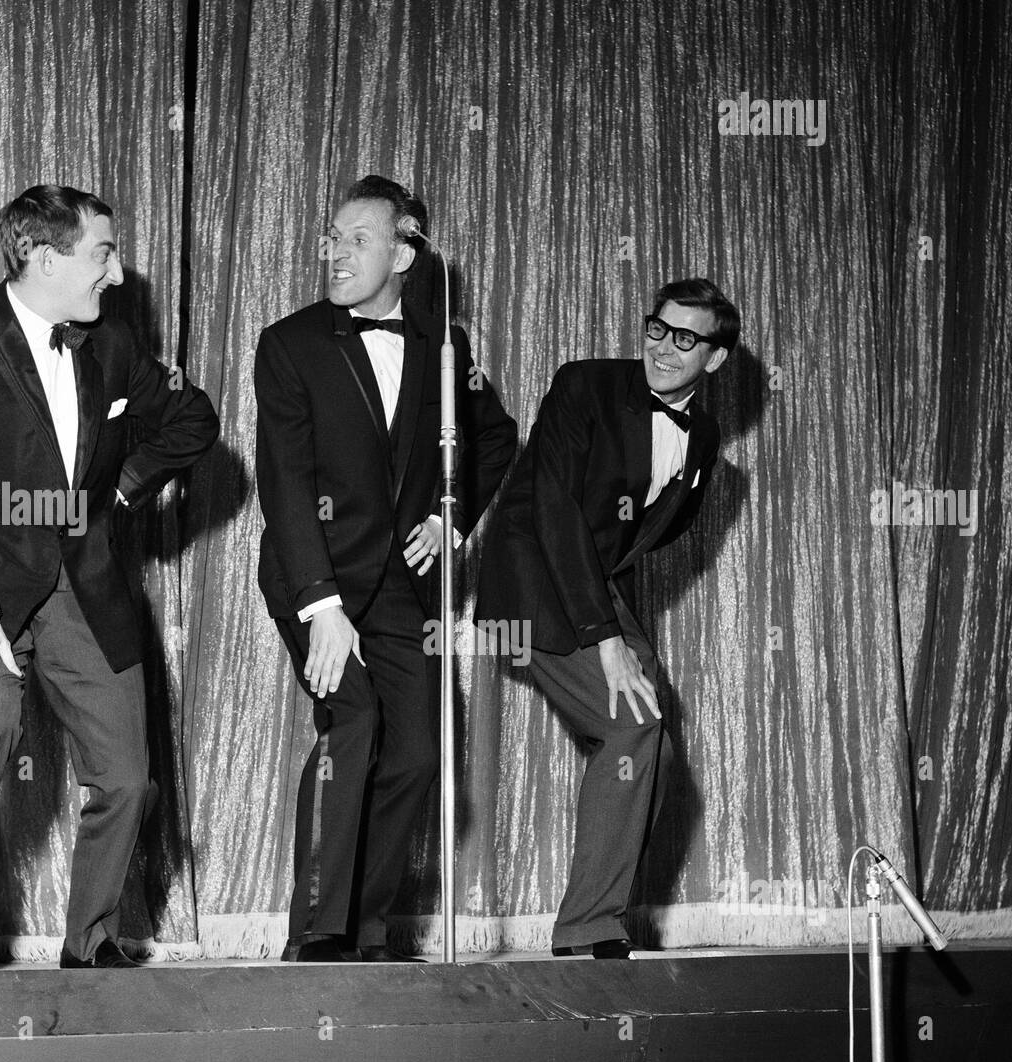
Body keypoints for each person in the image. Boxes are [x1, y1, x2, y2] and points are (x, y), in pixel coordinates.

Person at [0, 184, 219, 971]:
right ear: (44, 256)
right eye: (102, 252)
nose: (116, 272)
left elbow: (193, 418)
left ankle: (92, 938)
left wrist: (123, 486)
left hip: (88, 584)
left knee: (131, 779)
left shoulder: (111, 347)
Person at [255, 175, 517, 963]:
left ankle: (363, 934)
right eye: (331, 236)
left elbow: (494, 441)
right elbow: (286, 484)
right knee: (354, 723)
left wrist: (450, 516)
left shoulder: (446, 346)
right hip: (318, 580)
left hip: (403, 590)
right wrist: (319, 606)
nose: (336, 251)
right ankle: (316, 934)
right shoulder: (290, 343)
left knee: (416, 755)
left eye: (357, 239)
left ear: (406, 251)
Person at [476, 277, 739, 958]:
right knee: (632, 724)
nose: (663, 347)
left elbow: (664, 528)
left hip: (598, 585)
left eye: (685, 338)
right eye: (657, 328)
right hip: (533, 585)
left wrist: (614, 616)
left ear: (714, 359)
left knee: (653, 742)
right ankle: (589, 929)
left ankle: (599, 914)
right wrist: (606, 639)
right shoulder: (584, 386)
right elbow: (555, 512)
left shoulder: (703, 437)